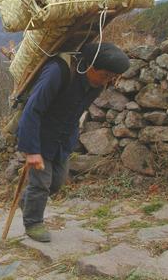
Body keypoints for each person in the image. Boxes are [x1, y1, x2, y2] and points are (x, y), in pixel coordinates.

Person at [17, 42, 130, 242]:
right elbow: (31, 110)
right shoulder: (58, 72)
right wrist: (31, 150)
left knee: (56, 183)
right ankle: (33, 223)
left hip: (62, 140)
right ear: (90, 66)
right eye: (105, 76)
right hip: (40, 136)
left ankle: (27, 201)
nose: (107, 81)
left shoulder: (95, 84)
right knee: (41, 184)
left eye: (111, 78)